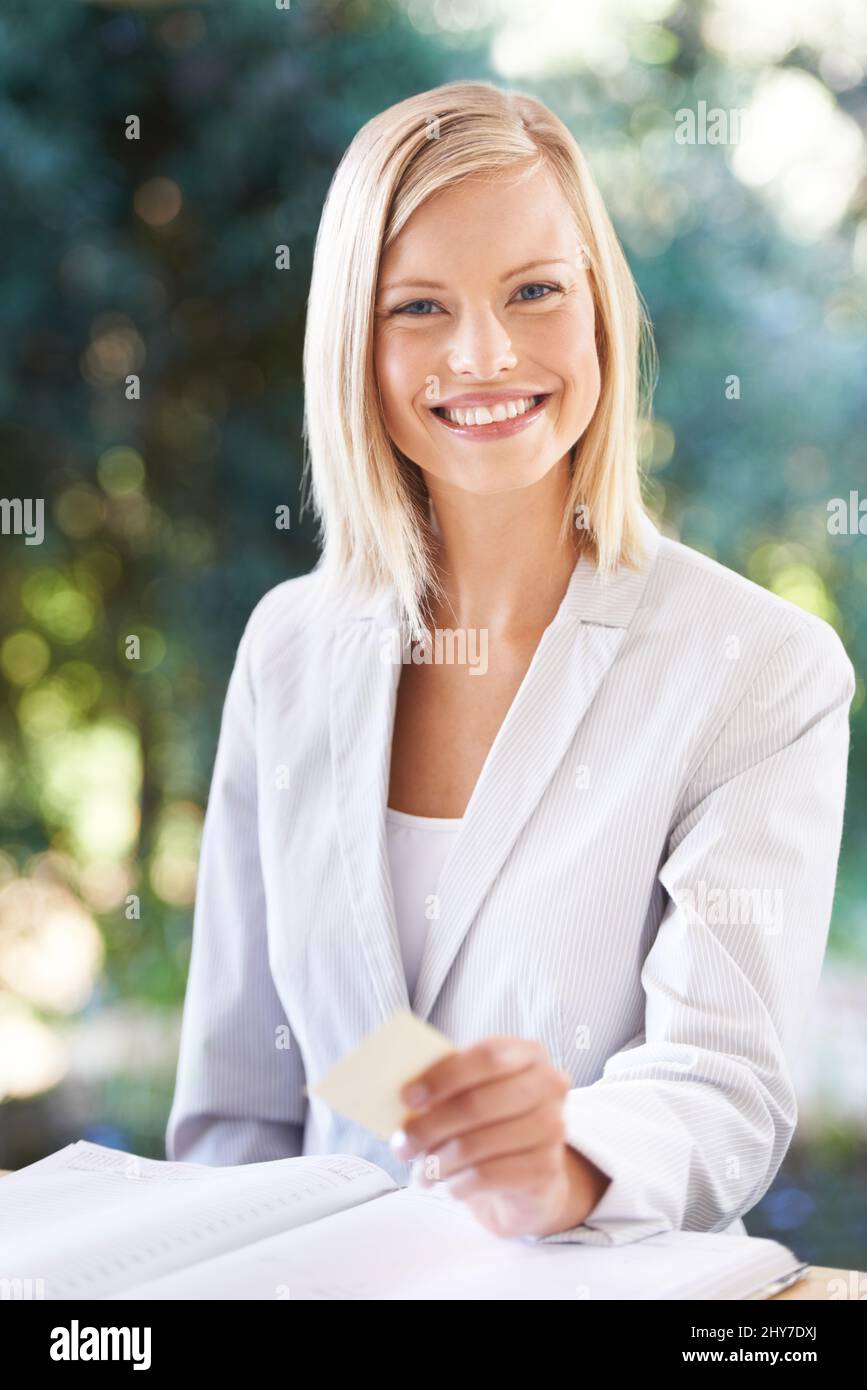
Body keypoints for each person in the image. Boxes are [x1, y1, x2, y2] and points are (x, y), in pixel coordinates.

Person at [166, 81, 855, 1244]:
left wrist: (563, 1165)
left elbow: (721, 1091)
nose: (483, 354)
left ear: (597, 308)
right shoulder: (288, 648)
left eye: (533, 290)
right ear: (354, 343)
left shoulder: (761, 668)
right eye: (419, 307)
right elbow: (236, 1112)